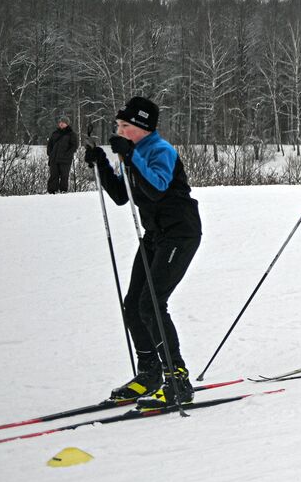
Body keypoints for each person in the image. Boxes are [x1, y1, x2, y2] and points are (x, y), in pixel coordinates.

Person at [84, 96, 201, 407]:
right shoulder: (131, 151)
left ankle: (177, 379)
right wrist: (103, 164)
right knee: (133, 303)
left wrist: (131, 156)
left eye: (125, 126)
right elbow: (123, 196)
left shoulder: (161, 151)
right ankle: (149, 372)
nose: (119, 131)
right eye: (118, 126)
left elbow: (157, 188)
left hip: (180, 233)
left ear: (142, 127)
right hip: (155, 236)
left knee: (152, 303)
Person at [45, 116, 78, 193]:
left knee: (64, 176)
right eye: (60, 122)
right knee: (53, 176)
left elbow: (74, 146)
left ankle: (63, 191)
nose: (61, 124)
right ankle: (52, 191)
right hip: (54, 159)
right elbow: (50, 145)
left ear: (67, 124)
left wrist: (67, 155)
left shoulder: (71, 134)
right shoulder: (55, 133)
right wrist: (50, 154)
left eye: (63, 122)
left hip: (65, 160)